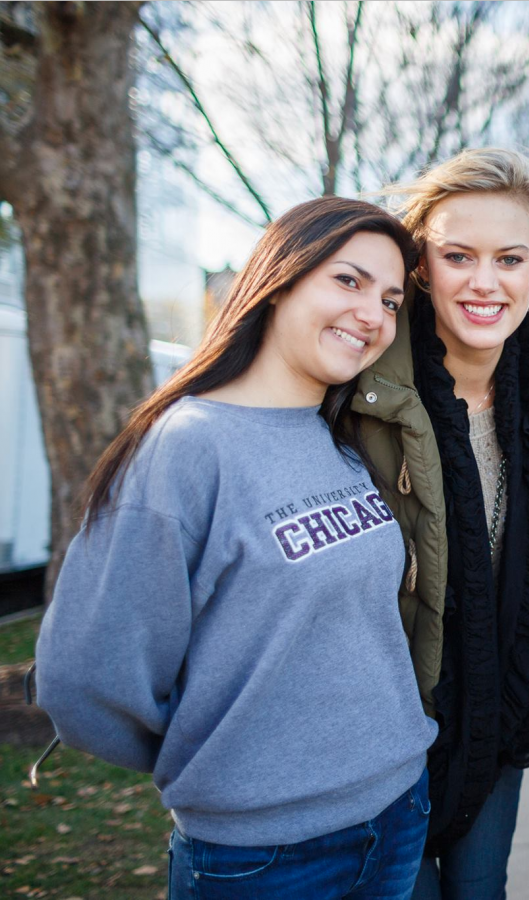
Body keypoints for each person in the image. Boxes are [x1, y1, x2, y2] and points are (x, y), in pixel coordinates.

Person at [35, 197, 438, 899]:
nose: (373, 314)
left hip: (398, 812)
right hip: (264, 857)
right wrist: (224, 765)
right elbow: (82, 678)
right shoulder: (188, 447)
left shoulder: (335, 441)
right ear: (280, 280)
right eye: (347, 281)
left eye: (390, 298)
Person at [359, 148, 529, 900]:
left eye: (509, 258)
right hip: (385, 732)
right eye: (459, 255)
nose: (485, 282)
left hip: (499, 713)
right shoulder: (360, 394)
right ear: (423, 265)